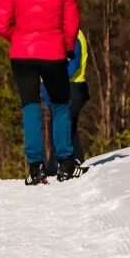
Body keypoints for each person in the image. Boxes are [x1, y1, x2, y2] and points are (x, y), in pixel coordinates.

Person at [0, 0, 83, 185]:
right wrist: (65, 46)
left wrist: (17, 38)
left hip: (22, 56)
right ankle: (65, 163)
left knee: (30, 108)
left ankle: (35, 168)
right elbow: (72, 20)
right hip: (54, 53)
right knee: (60, 106)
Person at [45, 29, 90, 176]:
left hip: (74, 87)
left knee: (61, 123)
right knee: (66, 125)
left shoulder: (73, 34)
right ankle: (74, 160)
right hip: (66, 87)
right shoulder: (60, 34)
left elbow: (73, 64)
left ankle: (58, 164)